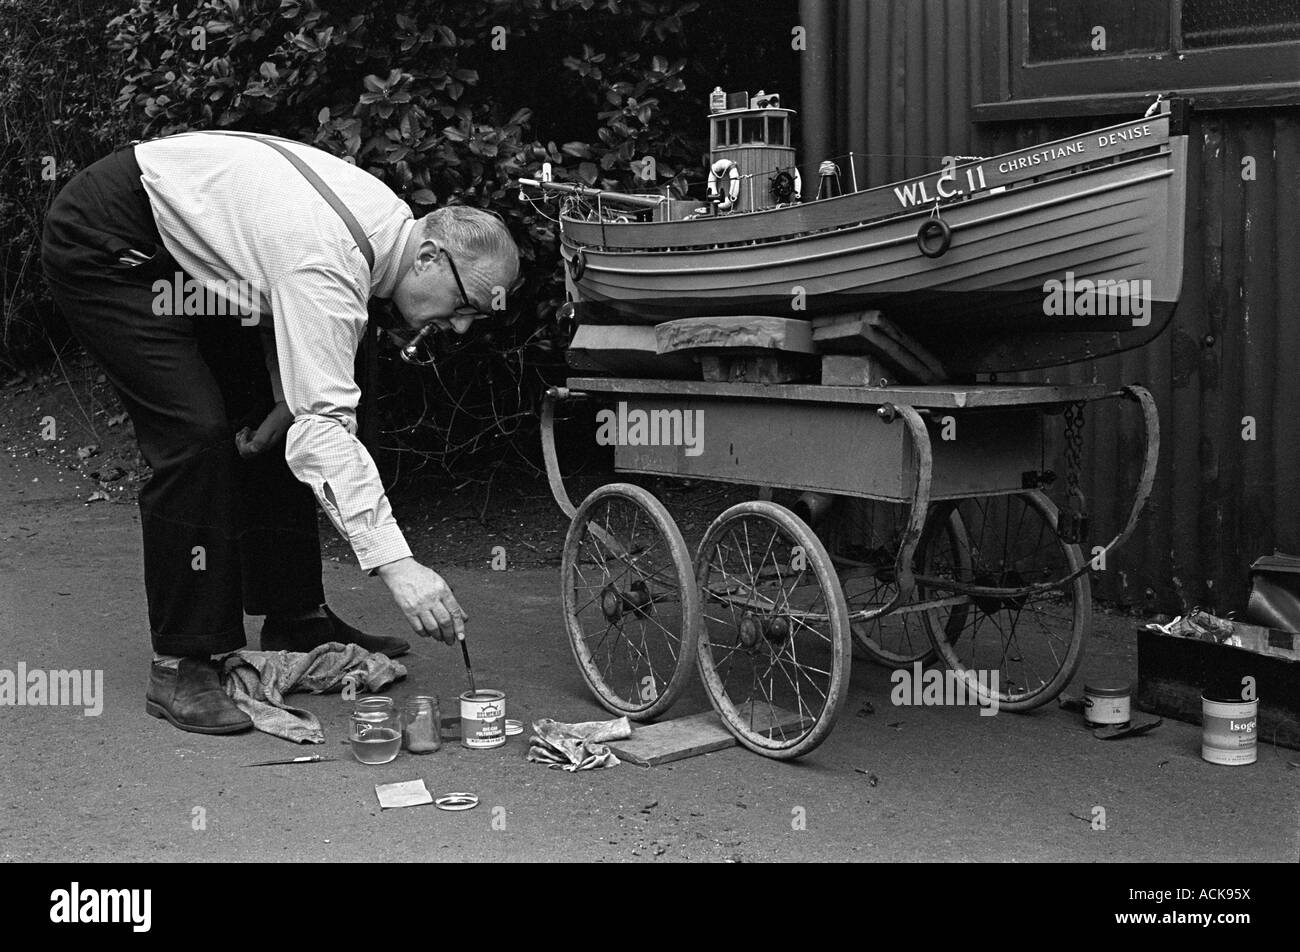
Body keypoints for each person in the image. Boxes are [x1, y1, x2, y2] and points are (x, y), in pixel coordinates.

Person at [41, 131, 522, 734]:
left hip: (194, 253)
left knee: (291, 415)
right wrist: (399, 566)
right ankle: (181, 663)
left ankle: (296, 615)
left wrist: (281, 401)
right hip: (112, 243)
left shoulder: (384, 230)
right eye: (463, 304)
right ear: (428, 258)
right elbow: (322, 408)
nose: (457, 326)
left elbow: (280, 302)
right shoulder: (330, 259)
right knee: (196, 438)